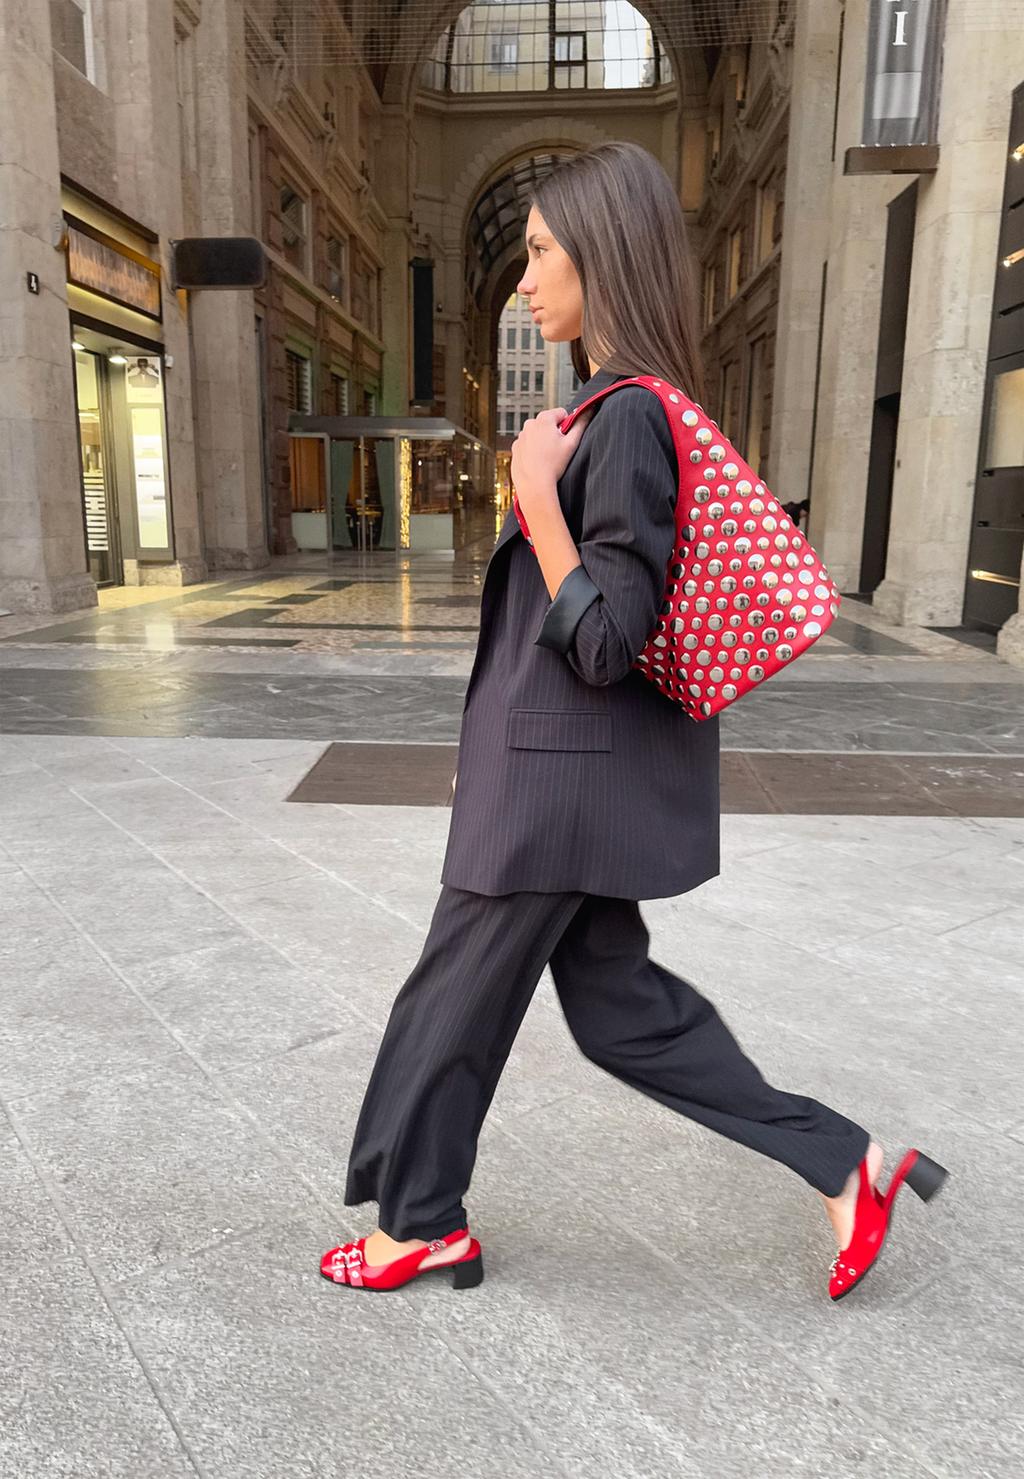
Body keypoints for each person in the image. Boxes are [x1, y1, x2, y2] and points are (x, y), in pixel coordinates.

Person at [321, 142, 947, 1301]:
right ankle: (843, 1161)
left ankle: (421, 1224)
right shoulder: (610, 415)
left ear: (603, 259)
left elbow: (605, 639)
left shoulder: (623, 424)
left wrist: (534, 497)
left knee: (448, 1005)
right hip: (573, 782)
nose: (524, 279)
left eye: (544, 252)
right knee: (623, 1016)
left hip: (550, 787)